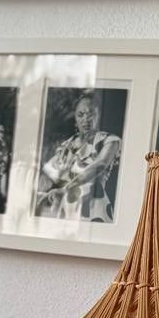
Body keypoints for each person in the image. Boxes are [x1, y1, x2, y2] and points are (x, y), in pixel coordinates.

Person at [36, 94, 122, 222]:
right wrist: (41, 193)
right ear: (75, 119)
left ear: (99, 115)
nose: (85, 119)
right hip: (67, 209)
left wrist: (66, 188)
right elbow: (49, 172)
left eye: (90, 114)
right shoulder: (67, 144)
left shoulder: (110, 140)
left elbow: (100, 164)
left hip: (93, 209)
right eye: (80, 115)